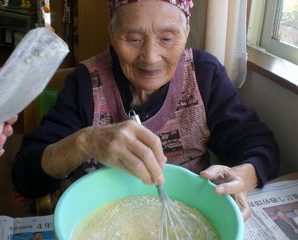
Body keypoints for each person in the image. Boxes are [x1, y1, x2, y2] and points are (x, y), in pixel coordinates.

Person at [12, 0, 279, 220]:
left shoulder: (204, 75)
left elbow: (258, 145)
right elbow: (26, 176)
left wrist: (243, 177)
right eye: (133, 38)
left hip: (185, 216)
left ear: (185, 33)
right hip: (101, 218)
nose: (150, 57)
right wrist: (86, 142)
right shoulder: (85, 84)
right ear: (113, 35)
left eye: (167, 38)